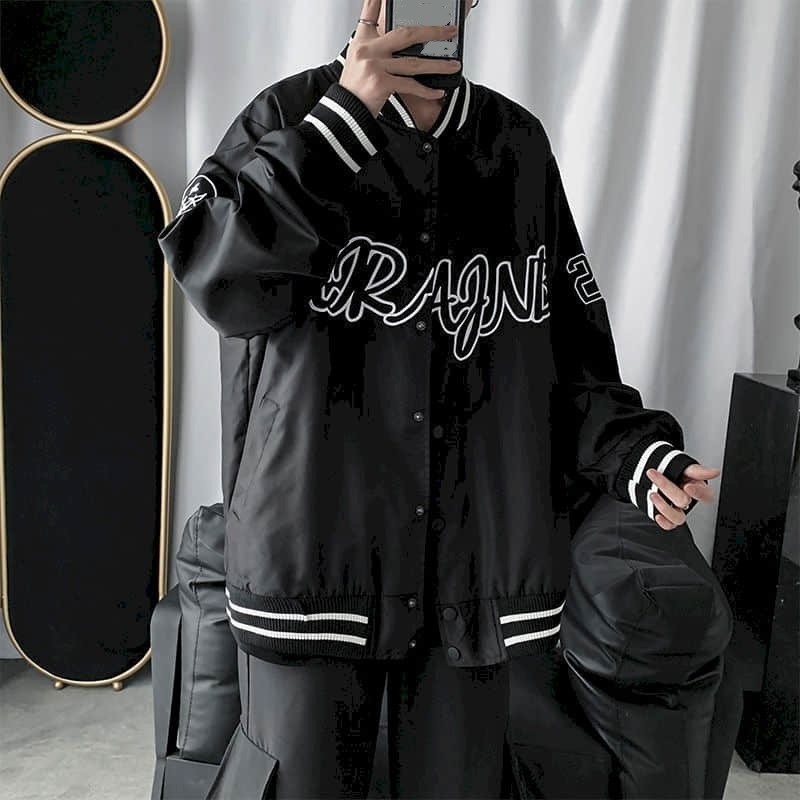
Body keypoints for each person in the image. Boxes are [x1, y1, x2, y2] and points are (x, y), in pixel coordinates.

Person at [157, 0, 721, 796]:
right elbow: (218, 278)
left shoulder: (515, 145)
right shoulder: (285, 117)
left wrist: (636, 454)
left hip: (468, 573)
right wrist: (342, 120)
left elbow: (570, 356)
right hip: (313, 560)